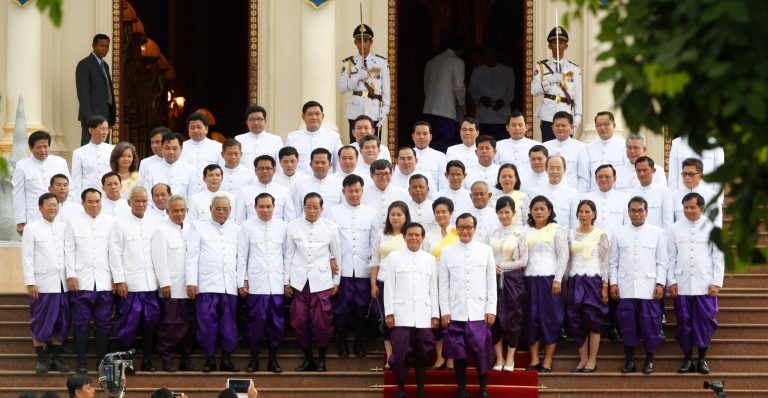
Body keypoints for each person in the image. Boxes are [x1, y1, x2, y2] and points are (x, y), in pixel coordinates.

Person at [439, 213, 497, 398]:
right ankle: (462, 390)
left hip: (479, 311)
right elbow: (443, 284)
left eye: (469, 227)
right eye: (461, 227)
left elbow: (491, 282)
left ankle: (483, 389)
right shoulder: (447, 251)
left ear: (475, 228)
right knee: (459, 354)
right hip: (456, 312)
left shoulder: (485, 250)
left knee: (481, 352)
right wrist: (445, 311)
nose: (465, 231)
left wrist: (491, 309)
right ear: (456, 229)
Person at [609, 196, 668, 374]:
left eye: (640, 210)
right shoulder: (618, 232)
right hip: (626, 287)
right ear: (628, 212)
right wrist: (613, 283)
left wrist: (660, 283)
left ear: (646, 212)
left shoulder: (658, 232)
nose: (636, 214)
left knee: (651, 325)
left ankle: (649, 361)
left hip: (649, 288)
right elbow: (613, 262)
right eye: (633, 211)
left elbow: (662, 261)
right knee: (627, 326)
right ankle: (630, 361)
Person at [667, 192, 724, 375]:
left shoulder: (712, 228)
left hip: (705, 285)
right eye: (685, 207)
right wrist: (671, 281)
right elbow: (670, 257)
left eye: (692, 207)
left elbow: (718, 257)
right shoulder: (674, 228)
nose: (689, 211)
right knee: (683, 322)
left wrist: (716, 282)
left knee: (704, 322)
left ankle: (702, 359)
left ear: (701, 207)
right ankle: (687, 359)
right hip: (682, 284)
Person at [284, 192, 342, 372]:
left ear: (322, 209)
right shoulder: (293, 226)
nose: (311, 210)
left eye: (316, 207)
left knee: (321, 321)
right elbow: (288, 254)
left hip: (322, 281)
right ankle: (308, 359)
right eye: (308, 207)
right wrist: (286, 281)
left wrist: (336, 281)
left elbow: (337, 254)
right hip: (299, 282)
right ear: (303, 207)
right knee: (299, 321)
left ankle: (322, 359)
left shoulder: (330, 227)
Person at [186, 194, 241, 372]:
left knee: (229, 325)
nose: (221, 212)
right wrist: (191, 281)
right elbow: (192, 255)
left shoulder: (237, 229)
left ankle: (226, 359)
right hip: (206, 285)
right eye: (218, 209)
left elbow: (241, 258)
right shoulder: (198, 227)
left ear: (230, 210)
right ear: (210, 209)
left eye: (225, 209)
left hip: (229, 285)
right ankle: (209, 359)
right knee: (206, 323)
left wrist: (241, 282)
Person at [325, 175, 379, 358]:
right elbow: (328, 239)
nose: (354, 194)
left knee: (362, 309)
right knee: (341, 309)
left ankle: (359, 342)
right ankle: (342, 343)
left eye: (357, 191)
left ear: (362, 191)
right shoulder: (334, 212)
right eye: (350, 191)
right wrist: (330, 258)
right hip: (342, 269)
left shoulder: (371, 213)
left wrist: (373, 272)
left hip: (363, 269)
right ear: (344, 191)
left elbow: (375, 244)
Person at [109, 186, 162, 371]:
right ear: (129, 202)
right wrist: (119, 280)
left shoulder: (155, 223)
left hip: (150, 284)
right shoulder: (120, 224)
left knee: (150, 322)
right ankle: (126, 362)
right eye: (137, 201)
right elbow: (115, 254)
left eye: (144, 201)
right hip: (130, 285)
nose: (141, 204)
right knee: (127, 324)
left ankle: (147, 360)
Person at [384, 222, 439, 398]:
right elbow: (389, 287)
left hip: (424, 315)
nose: (414, 238)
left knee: (423, 353)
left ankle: (420, 389)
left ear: (423, 237)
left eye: (417, 235)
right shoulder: (393, 258)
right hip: (401, 315)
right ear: (404, 236)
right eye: (410, 235)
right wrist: (389, 313)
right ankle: (401, 388)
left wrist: (435, 315)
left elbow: (433, 289)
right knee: (401, 354)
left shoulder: (430, 259)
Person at [64, 188, 114, 373]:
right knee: (81, 322)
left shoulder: (110, 222)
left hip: (104, 281)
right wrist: (71, 275)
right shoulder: (73, 223)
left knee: (104, 323)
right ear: (83, 203)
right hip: (82, 282)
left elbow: (114, 252)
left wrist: (116, 278)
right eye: (91, 201)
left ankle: (101, 361)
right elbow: (69, 251)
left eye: (98, 201)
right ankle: (81, 362)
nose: (95, 205)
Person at [237, 193, 287, 373]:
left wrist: (286, 281)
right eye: (261, 207)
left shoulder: (283, 227)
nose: (265, 210)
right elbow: (242, 256)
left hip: (276, 284)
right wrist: (242, 280)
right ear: (255, 207)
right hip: (256, 285)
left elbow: (287, 255)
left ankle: (273, 359)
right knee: (255, 324)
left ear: (274, 207)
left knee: (276, 324)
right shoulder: (247, 227)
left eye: (268, 206)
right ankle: (254, 360)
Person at [22, 193, 70, 373]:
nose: (52, 208)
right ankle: (41, 359)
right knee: (40, 321)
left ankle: (56, 359)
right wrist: (30, 282)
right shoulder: (31, 228)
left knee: (61, 322)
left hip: (63, 284)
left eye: (55, 205)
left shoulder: (64, 227)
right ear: (40, 208)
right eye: (48, 205)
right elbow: (27, 257)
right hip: (42, 284)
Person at [152, 194, 198, 372]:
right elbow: (159, 260)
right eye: (175, 210)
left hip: (190, 287)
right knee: (169, 325)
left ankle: (186, 358)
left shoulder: (191, 228)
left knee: (190, 325)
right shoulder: (161, 231)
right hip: (171, 287)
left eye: (182, 210)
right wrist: (164, 284)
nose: (179, 214)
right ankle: (167, 358)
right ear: (167, 211)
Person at [523, 195, 569, 372]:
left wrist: (558, 279)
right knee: (530, 319)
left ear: (549, 211)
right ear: (530, 212)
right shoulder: (525, 231)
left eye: (542, 209)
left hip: (550, 280)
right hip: (529, 279)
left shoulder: (557, 229)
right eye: (535, 209)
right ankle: (534, 359)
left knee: (551, 319)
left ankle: (548, 360)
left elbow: (563, 256)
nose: (539, 212)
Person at [483, 197, 528, 372]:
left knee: (513, 317)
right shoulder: (491, 233)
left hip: (512, 279)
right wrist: (491, 266)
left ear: (514, 213)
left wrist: (503, 266)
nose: (504, 215)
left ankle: (510, 357)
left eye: (507, 212)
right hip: (492, 278)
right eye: (500, 212)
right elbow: (484, 255)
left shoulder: (520, 234)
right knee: (493, 316)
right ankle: (499, 357)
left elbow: (523, 260)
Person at [567, 200, 609, 372]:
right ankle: (583, 358)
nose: (583, 215)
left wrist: (605, 285)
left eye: (587, 211)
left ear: (594, 214)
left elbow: (605, 261)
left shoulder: (601, 235)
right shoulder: (570, 234)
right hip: (575, 280)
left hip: (594, 281)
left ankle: (592, 359)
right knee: (575, 320)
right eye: (581, 211)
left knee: (593, 319)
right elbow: (567, 260)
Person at [370, 201, 411, 367]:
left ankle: (403, 354)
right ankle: (390, 357)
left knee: (402, 320)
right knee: (385, 319)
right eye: (392, 214)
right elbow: (375, 259)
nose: (395, 217)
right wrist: (373, 283)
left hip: (404, 284)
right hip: (383, 281)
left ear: (406, 216)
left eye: (399, 214)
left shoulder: (410, 234)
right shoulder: (381, 234)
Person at [421, 197, 459, 370]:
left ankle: (451, 358)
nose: (440, 215)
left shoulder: (458, 233)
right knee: (436, 320)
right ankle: (439, 357)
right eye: (437, 212)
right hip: (434, 281)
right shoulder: (429, 235)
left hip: (454, 282)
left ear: (451, 213)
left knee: (451, 321)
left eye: (444, 211)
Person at [12, 131, 71, 236]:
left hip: (58, 215)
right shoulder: (22, 165)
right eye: (38, 147)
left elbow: (70, 189)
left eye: (45, 146)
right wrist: (20, 221)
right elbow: (18, 195)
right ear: (31, 148)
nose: (43, 150)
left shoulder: (60, 162)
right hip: (34, 216)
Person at [339, 24, 390, 142]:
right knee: (355, 144)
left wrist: (386, 109)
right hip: (355, 109)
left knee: (373, 145)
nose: (362, 44)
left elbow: (386, 89)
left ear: (371, 42)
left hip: (374, 108)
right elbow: (342, 88)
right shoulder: (348, 63)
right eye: (359, 41)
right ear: (355, 43)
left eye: (365, 41)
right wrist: (356, 77)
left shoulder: (381, 62)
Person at [531, 26, 582, 141]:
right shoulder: (541, 66)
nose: (558, 46)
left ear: (566, 46)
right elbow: (534, 91)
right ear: (549, 45)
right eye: (554, 42)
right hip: (548, 115)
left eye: (561, 42)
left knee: (566, 147)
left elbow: (578, 95)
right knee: (548, 146)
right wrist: (551, 80)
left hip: (566, 113)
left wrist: (578, 116)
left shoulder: (574, 68)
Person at [423, 38, 466, 153]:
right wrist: (461, 103)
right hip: (445, 110)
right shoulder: (457, 62)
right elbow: (459, 86)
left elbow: (426, 84)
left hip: (429, 109)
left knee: (429, 144)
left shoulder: (432, 62)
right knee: (443, 145)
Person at [469, 47, 516, 142]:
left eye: (492, 56)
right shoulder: (477, 71)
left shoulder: (507, 71)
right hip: (483, 117)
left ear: (498, 56)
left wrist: (503, 102)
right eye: (487, 56)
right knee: (483, 144)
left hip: (502, 117)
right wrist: (480, 98)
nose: (490, 58)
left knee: (502, 144)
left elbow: (511, 91)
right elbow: (472, 90)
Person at [75, 33, 115, 146]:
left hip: (105, 115)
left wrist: (111, 116)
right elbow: (82, 93)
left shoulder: (105, 65)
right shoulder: (84, 64)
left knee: (103, 148)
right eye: (101, 46)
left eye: (107, 46)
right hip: (92, 116)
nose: (104, 49)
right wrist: (90, 118)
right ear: (93, 45)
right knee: (88, 147)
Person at [285, 101, 343, 174]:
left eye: (317, 114)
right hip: (300, 180)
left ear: (322, 116)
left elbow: (338, 163)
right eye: (310, 114)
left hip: (326, 179)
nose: (314, 117)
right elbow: (286, 160)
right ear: (303, 117)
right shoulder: (292, 138)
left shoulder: (333, 137)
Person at [238, 155, 295, 222]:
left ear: (274, 170)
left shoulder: (284, 191)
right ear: (256, 171)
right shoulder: (245, 191)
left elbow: (290, 219)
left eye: (268, 168)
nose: (265, 171)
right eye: (261, 168)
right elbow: (240, 219)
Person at [543, 111, 589, 191]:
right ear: (552, 127)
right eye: (557, 125)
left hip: (571, 193)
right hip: (548, 192)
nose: (560, 128)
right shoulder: (544, 146)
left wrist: (580, 195)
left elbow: (584, 176)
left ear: (571, 127)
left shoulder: (581, 147)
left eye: (563, 125)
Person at [580, 164, 630, 238]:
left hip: (615, 241)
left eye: (607, 176)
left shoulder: (624, 198)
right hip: (592, 241)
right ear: (596, 179)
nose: (603, 179)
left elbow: (627, 225)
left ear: (614, 178)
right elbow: (581, 223)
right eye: (600, 177)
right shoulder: (586, 198)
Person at [71, 115, 115, 198]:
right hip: (89, 198)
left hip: (109, 196)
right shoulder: (79, 153)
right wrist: (78, 200)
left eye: (107, 129)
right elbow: (76, 181)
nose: (105, 132)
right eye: (102, 129)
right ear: (91, 130)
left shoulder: (113, 150)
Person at [531, 155, 579, 229]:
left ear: (564, 170)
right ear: (546, 169)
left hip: (563, 234)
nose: (555, 171)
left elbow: (575, 222)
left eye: (558, 168)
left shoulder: (573, 194)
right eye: (551, 168)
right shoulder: (535, 192)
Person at [181, 112, 223, 195]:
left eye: (199, 127)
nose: (195, 130)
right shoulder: (181, 148)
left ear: (206, 129)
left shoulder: (218, 147)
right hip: (188, 194)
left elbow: (223, 172)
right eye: (192, 128)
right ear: (188, 129)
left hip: (212, 194)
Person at [672, 158, 722, 228]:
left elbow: (717, 223)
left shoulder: (712, 196)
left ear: (701, 176)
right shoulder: (674, 195)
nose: (687, 177)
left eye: (691, 174)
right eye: (684, 174)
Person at [145, 132, 195, 202]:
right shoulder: (151, 170)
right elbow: (148, 197)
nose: (171, 152)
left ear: (181, 149)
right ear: (162, 149)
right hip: (157, 209)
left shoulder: (190, 170)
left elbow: (192, 197)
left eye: (174, 149)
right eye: (167, 148)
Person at [291, 148, 344, 213]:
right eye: (316, 162)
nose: (320, 166)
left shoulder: (339, 184)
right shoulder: (300, 184)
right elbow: (297, 210)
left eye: (323, 163)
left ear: (330, 165)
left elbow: (343, 208)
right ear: (311, 165)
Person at [627, 156, 674, 229]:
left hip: (656, 235)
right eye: (638, 170)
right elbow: (628, 220)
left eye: (645, 170)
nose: (641, 174)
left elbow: (668, 221)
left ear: (653, 170)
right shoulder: (630, 193)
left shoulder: (664, 192)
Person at [362, 159, 410, 228]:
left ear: (391, 174)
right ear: (372, 175)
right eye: (379, 174)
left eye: (386, 173)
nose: (384, 177)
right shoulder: (363, 194)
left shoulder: (402, 194)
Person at [587, 111, 627, 190]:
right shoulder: (589, 148)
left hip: (617, 192)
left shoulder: (624, 145)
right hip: (594, 192)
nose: (602, 128)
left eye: (606, 124)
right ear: (595, 127)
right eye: (599, 125)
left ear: (614, 125)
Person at [411, 121, 447, 191]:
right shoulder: (405, 155)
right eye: (418, 134)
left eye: (425, 134)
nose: (421, 137)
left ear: (430, 137)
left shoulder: (440, 156)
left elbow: (443, 182)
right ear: (413, 136)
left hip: (433, 196)